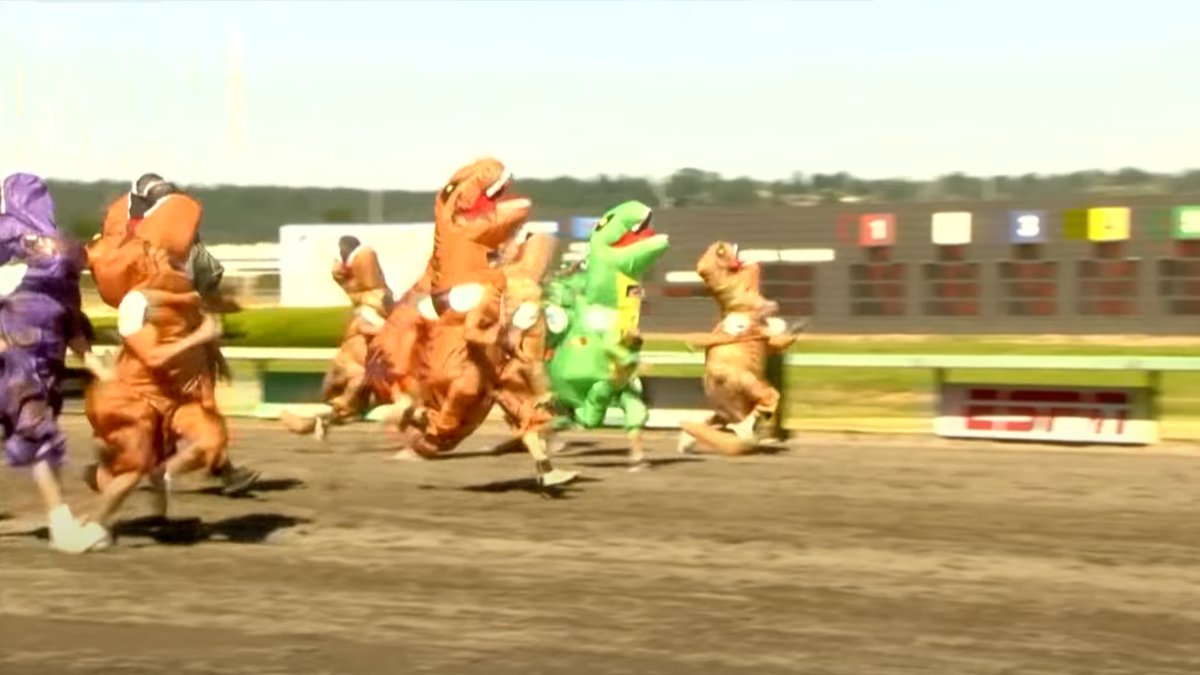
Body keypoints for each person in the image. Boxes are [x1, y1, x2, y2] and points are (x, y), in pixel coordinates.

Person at [0, 172, 111, 553]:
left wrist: (93, 362)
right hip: (23, 362)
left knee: (37, 436)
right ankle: (61, 526)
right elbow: (70, 316)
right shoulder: (54, 246)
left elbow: (70, 318)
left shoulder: (27, 240)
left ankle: (61, 524)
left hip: (30, 362)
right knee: (38, 436)